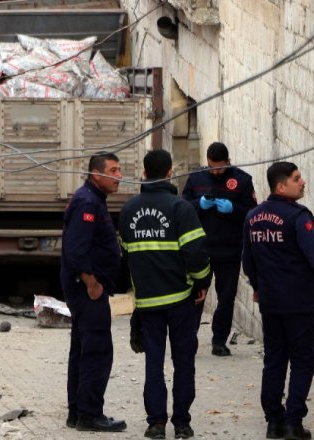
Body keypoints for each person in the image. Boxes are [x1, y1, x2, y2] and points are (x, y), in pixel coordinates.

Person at [242, 161, 314, 440]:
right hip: (299, 302)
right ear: (281, 186)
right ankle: (293, 422)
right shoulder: (298, 217)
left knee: (274, 359)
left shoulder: (252, 217)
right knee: (302, 359)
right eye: (297, 179)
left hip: (271, 303)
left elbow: (248, 260)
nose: (303, 182)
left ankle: (273, 422)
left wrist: (257, 285)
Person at [119, 149, 210, 440]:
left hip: (147, 302)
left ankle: (156, 423)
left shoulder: (128, 210)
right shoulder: (180, 208)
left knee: (153, 364)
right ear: (170, 172)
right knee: (184, 362)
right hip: (180, 300)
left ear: (144, 173)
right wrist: (201, 282)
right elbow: (196, 254)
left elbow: (125, 256)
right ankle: (181, 423)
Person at [60, 152, 126, 432]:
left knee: (83, 349)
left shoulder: (93, 199)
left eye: (120, 170)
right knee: (97, 351)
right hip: (88, 291)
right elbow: (76, 250)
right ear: (96, 174)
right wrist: (91, 282)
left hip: (87, 289)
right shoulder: (88, 202)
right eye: (113, 170)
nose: (119, 176)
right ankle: (89, 415)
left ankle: (77, 413)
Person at [182, 141, 257, 356]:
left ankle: (219, 341)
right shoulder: (196, 179)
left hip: (229, 250)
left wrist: (233, 209)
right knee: (196, 296)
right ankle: (188, 339)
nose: (216, 171)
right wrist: (199, 205)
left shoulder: (242, 180)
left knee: (226, 298)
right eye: (212, 166)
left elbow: (252, 213)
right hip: (201, 250)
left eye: (220, 167)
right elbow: (183, 207)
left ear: (228, 162)